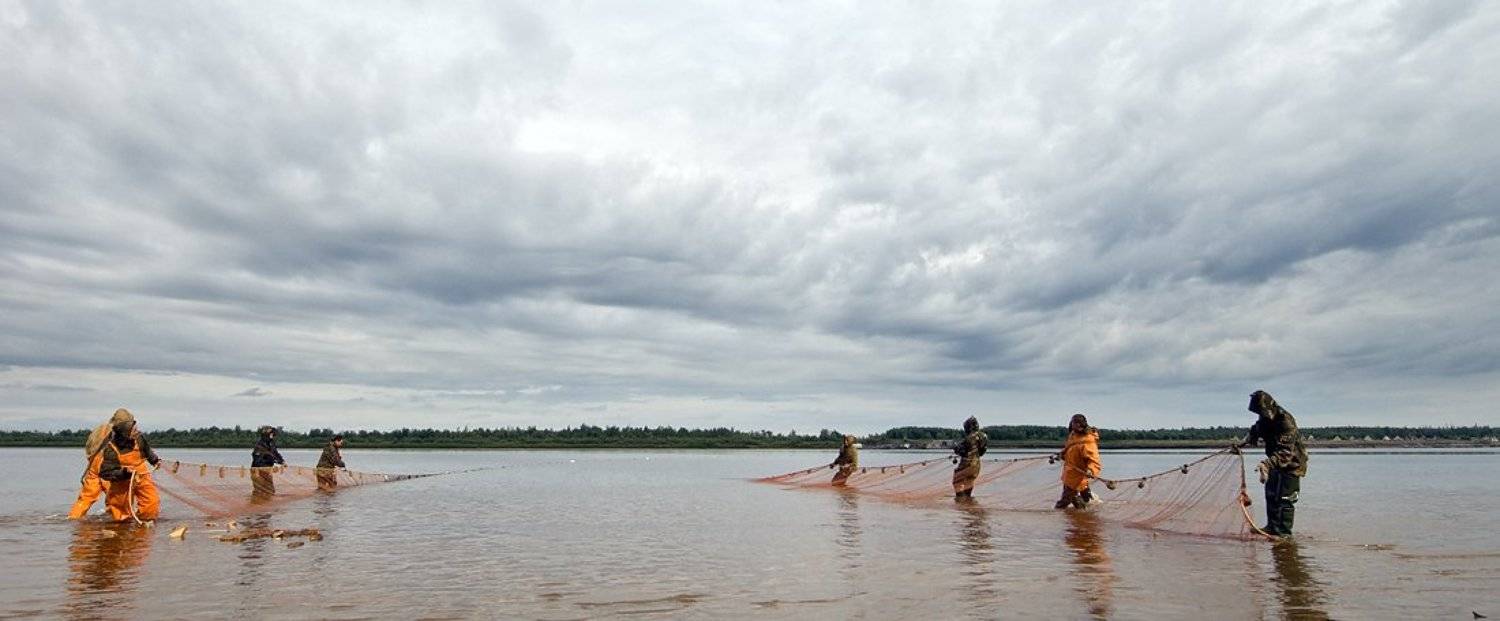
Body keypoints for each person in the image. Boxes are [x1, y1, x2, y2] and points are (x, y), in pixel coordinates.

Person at [1237, 390, 1309, 537]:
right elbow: (1256, 429)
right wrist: (1245, 442)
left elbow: (1285, 452)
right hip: (1274, 464)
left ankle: (1284, 534)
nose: (1261, 415)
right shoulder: (1265, 419)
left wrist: (1266, 465)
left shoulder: (1285, 421)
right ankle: (1272, 527)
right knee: (1271, 495)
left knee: (1285, 499)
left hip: (1292, 465)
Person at [96, 409, 161, 522]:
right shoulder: (111, 449)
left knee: (152, 503)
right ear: (124, 432)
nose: (137, 431)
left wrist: (154, 460)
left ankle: (144, 524)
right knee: (120, 517)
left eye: (136, 427)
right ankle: (121, 534)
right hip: (122, 482)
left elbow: (147, 450)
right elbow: (105, 473)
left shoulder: (139, 438)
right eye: (133, 430)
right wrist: (124, 473)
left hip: (141, 475)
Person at [68, 409, 131, 519]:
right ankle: (120, 523)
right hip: (109, 465)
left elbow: (90, 447)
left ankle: (73, 517)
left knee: (86, 497)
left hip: (94, 465)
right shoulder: (120, 432)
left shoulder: (100, 429)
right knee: (115, 496)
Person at [1056, 413, 1102, 510]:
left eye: (1079, 424)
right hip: (1069, 472)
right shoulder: (1073, 435)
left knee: (1064, 501)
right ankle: (1086, 515)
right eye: (1074, 424)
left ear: (1083, 425)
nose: (1076, 427)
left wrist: (1091, 470)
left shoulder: (1088, 440)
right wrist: (1061, 454)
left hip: (1079, 474)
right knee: (1084, 498)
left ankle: (1057, 514)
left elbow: (1094, 459)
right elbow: (1069, 448)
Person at [952, 416, 987, 499]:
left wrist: (955, 448)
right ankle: (968, 500)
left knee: (957, 481)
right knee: (970, 480)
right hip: (977, 464)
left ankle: (960, 501)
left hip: (966, 463)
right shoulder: (984, 436)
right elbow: (982, 452)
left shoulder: (969, 438)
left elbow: (961, 451)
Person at [250, 426, 286, 497]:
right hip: (258, 472)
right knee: (259, 492)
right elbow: (257, 461)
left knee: (270, 491)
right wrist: (270, 466)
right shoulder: (260, 445)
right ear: (267, 435)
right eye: (272, 434)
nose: (273, 436)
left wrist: (282, 461)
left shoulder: (271, 443)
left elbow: (275, 453)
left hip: (267, 472)